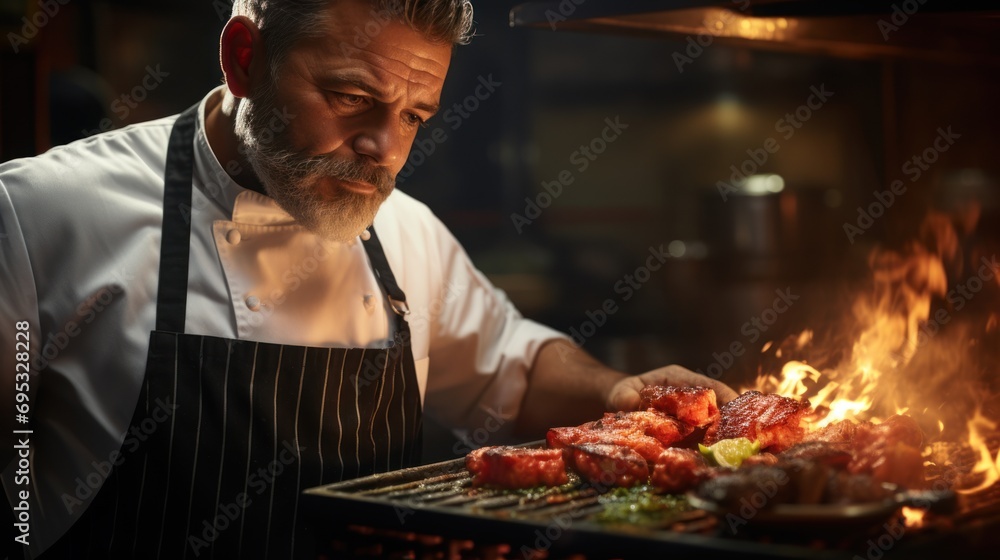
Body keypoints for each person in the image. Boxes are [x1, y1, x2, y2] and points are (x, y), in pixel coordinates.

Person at [0, 0, 736, 557]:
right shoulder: (37, 216)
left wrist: (616, 393)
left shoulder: (407, 232)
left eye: (416, 114)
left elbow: (510, 366)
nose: (385, 150)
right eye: (353, 98)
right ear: (244, 57)